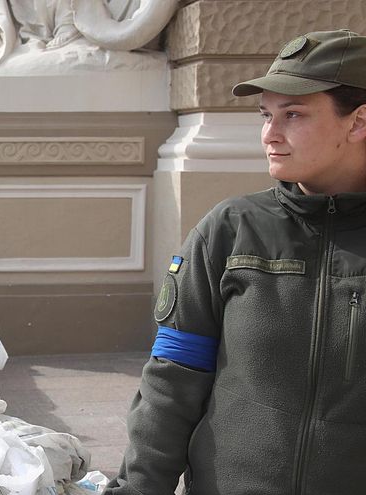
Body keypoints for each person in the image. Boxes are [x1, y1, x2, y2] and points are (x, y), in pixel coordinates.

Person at [106, 29, 366, 495]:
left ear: (359, 121)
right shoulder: (229, 230)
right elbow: (172, 381)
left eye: (294, 115)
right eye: (266, 115)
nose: (270, 133)